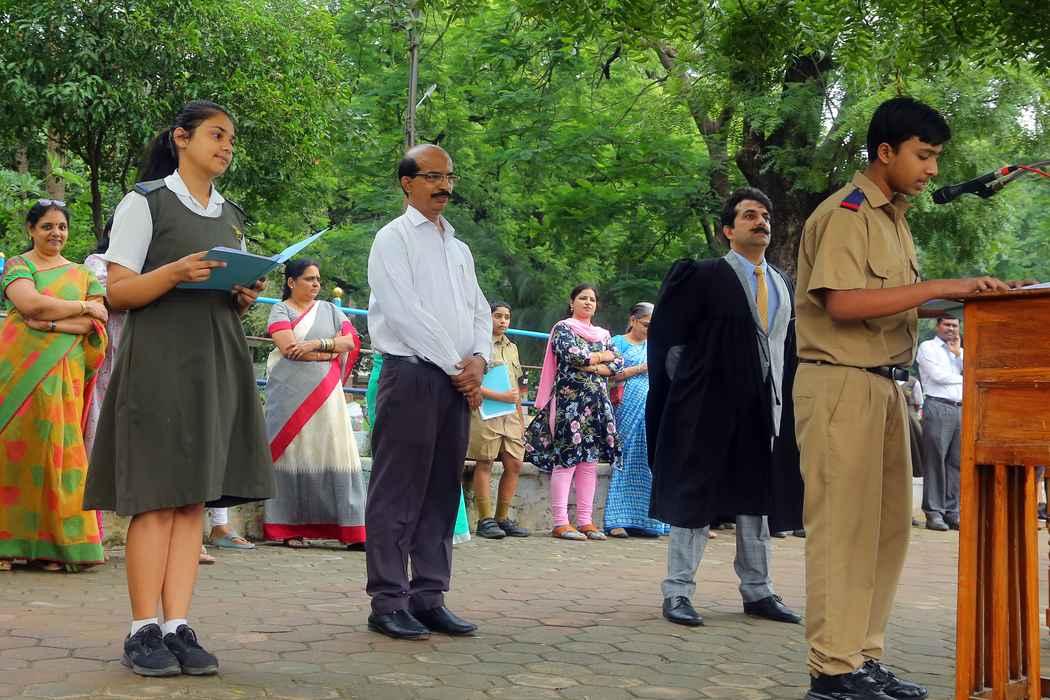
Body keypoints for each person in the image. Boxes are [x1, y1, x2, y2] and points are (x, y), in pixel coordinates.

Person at [794, 96, 1016, 700]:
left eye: (936, 157)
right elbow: (842, 303)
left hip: (887, 386)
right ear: (885, 152)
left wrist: (979, 296)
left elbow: (896, 301)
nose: (933, 170)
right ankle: (832, 670)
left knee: (888, 530)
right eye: (924, 155)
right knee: (843, 529)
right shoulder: (846, 213)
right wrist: (940, 286)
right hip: (840, 383)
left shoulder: (894, 218)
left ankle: (862, 658)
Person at [84, 100, 274, 677]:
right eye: (217, 135)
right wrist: (175, 272)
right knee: (156, 495)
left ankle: (177, 626)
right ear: (182, 138)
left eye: (232, 139)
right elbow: (118, 292)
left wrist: (242, 294)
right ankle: (142, 628)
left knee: (194, 495)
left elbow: (226, 295)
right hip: (159, 361)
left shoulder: (230, 215)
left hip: (215, 360)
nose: (227, 146)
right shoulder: (145, 202)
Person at [647, 188, 804, 630]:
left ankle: (759, 591)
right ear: (728, 230)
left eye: (765, 215)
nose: (761, 222)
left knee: (757, 498)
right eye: (750, 215)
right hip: (707, 409)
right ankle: (678, 591)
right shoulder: (701, 275)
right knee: (694, 495)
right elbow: (670, 344)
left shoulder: (782, 283)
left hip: (764, 409)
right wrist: (692, 395)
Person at [364, 144, 490, 640]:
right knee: (398, 490)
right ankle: (388, 600)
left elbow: (479, 310)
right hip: (412, 376)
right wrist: (459, 366)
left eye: (449, 177)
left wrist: (479, 359)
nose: (444, 186)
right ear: (407, 182)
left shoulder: (459, 249)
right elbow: (403, 313)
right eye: (433, 176)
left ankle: (429, 596)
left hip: (455, 381)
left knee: (442, 490)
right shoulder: (392, 239)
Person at [0, 201, 109, 573]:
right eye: (47, 226)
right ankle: (7, 545)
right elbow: (30, 303)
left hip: (64, 371)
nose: (56, 233)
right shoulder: (19, 265)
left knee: (60, 455)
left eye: (61, 227)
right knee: (14, 451)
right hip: (18, 371)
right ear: (31, 229)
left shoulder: (82, 273)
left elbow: (95, 324)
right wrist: (81, 308)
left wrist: (48, 324)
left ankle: (57, 548)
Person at [264, 258, 365, 549]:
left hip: (327, 394)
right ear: (291, 282)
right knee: (292, 454)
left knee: (337, 452)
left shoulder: (331, 310)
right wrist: (328, 352)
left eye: (318, 279)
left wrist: (313, 345)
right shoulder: (280, 310)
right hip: (289, 395)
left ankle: (349, 529)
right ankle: (289, 528)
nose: (316, 284)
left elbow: (349, 343)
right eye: (309, 279)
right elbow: (288, 348)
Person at [525, 284, 622, 541]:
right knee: (566, 460)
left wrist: (595, 364)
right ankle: (560, 523)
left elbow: (618, 363)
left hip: (596, 405)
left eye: (592, 299)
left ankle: (585, 521)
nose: (588, 302)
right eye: (582, 298)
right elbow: (573, 356)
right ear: (572, 302)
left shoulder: (603, 333)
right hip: (570, 404)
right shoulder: (563, 329)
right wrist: (602, 356)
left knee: (589, 463)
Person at [603, 303, 669, 538]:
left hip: (652, 404)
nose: (650, 330)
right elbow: (611, 374)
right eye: (646, 325)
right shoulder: (617, 343)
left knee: (648, 457)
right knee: (625, 456)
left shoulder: (656, 345)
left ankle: (650, 520)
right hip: (626, 404)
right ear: (633, 320)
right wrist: (642, 367)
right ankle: (617, 519)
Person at [467, 301, 530, 539]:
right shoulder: (476, 344)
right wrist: (500, 396)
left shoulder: (512, 347)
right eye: (498, 316)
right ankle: (485, 520)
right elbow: (470, 380)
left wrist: (521, 418)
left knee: (514, 464)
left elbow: (518, 385)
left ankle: (502, 518)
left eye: (507, 317)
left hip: (511, 415)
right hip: (486, 412)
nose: (503, 321)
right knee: (485, 462)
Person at [916, 314, 962, 532]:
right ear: (938, 326)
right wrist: (966, 376)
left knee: (957, 462)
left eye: (955, 326)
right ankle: (934, 512)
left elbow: (973, 370)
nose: (951, 329)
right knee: (935, 460)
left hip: (961, 408)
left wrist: (958, 355)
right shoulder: (927, 347)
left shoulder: (961, 352)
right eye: (947, 325)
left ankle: (952, 511)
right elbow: (938, 376)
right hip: (938, 405)